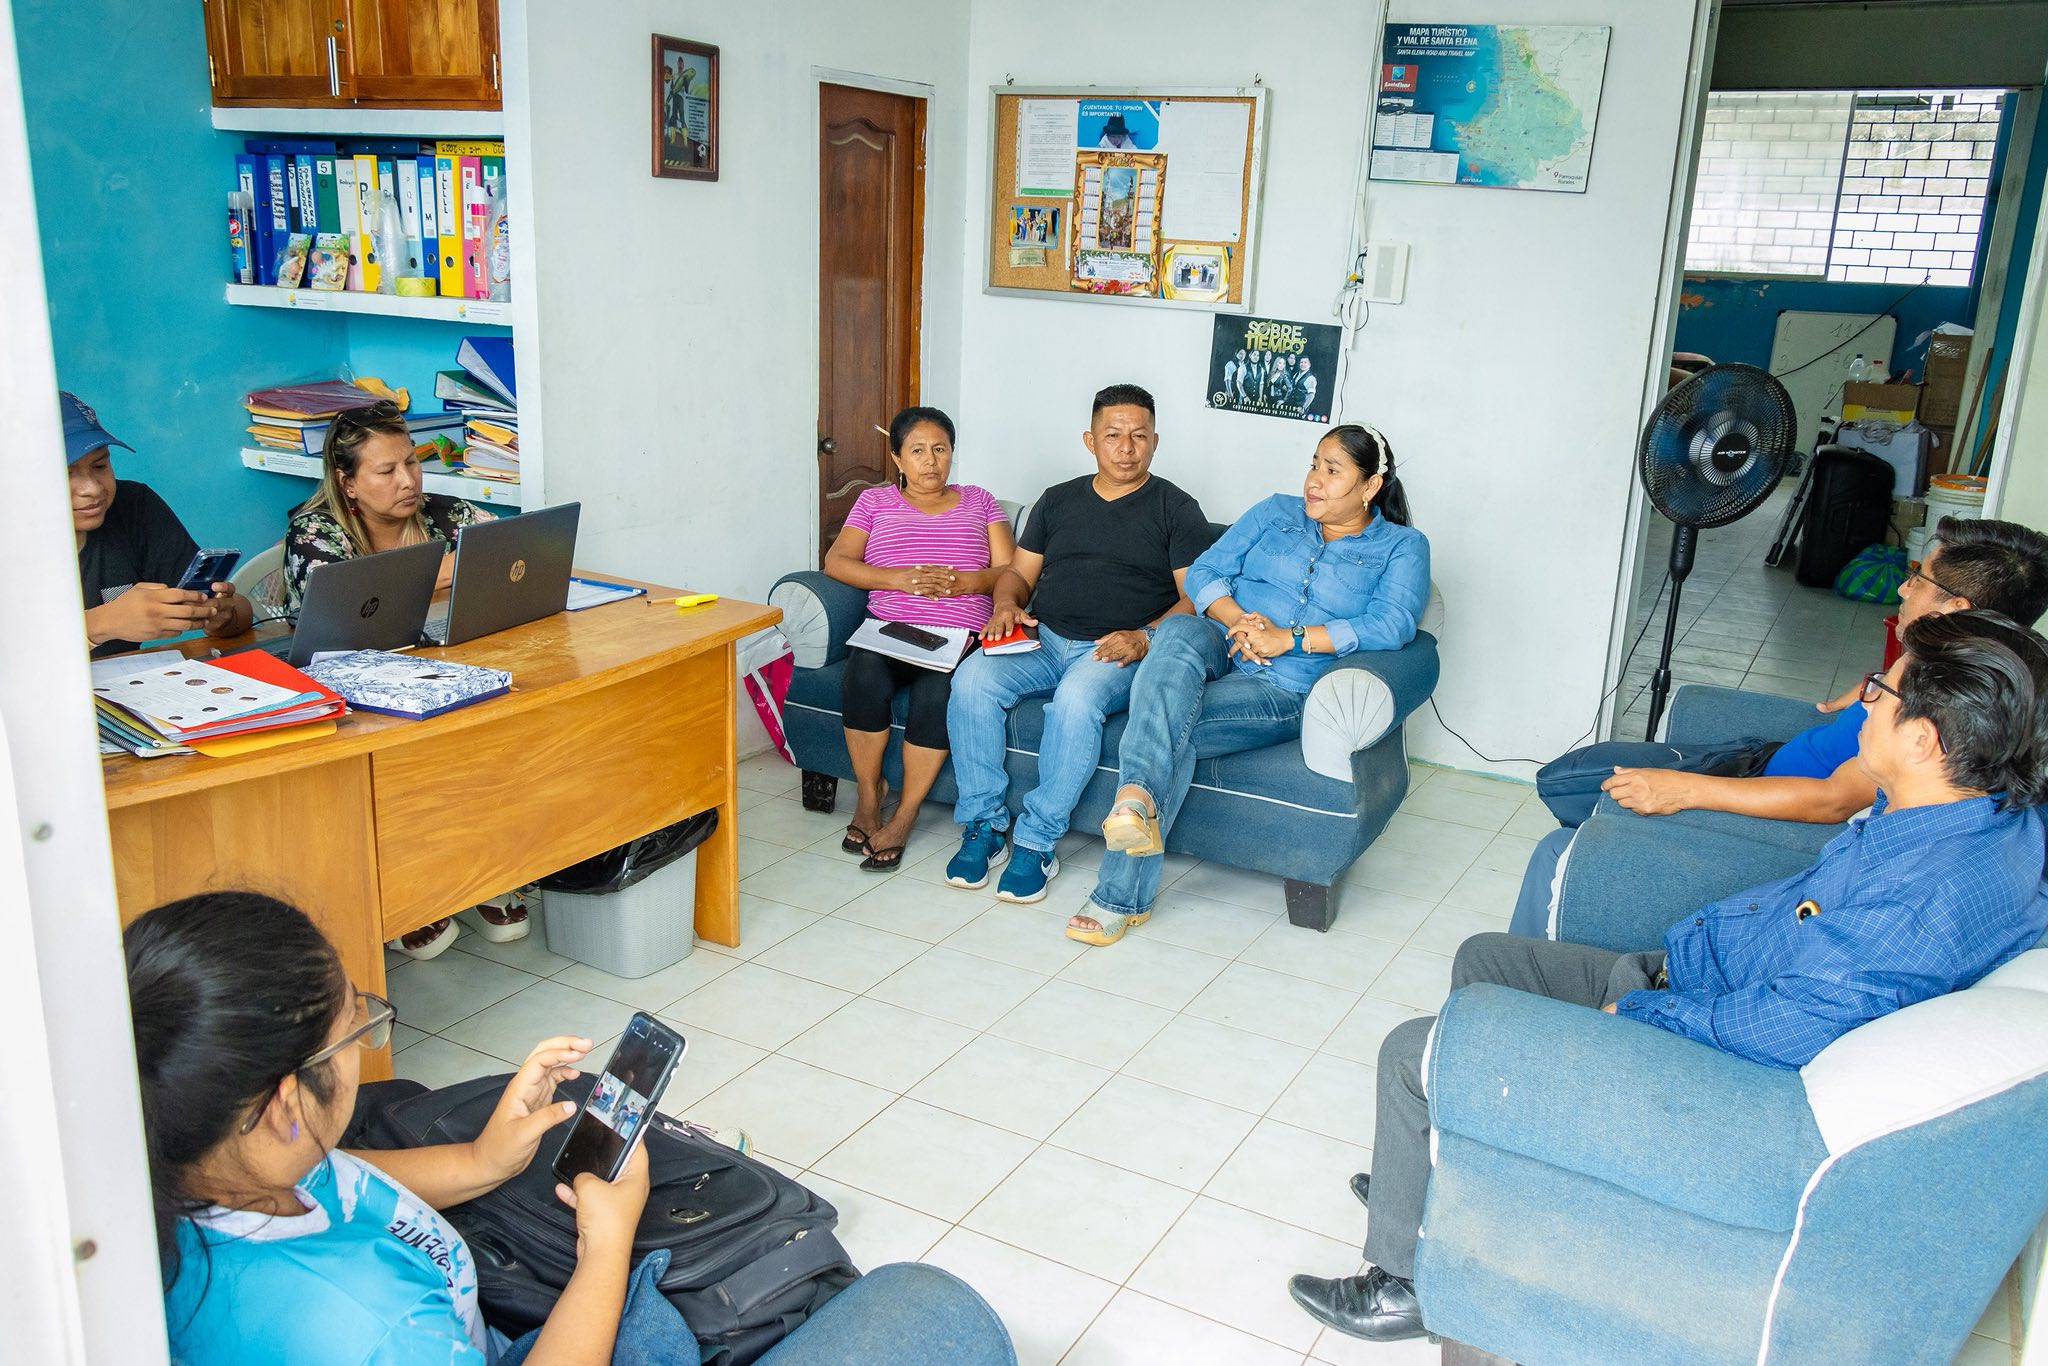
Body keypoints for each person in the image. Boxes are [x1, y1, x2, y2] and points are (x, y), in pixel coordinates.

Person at [1288, 609, 2048, 1344]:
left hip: (1710, 1060)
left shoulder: (1923, 900)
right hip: (1699, 984)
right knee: (1487, 959)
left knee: (1410, 1052)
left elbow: (1785, 1029)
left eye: (1880, 692)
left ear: (1923, 739)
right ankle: (1442, 1174)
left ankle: (1402, 1284)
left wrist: (1643, 1014)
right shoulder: (1963, 816)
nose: (1866, 701)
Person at [128, 891, 1017, 1366]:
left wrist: (483, 1158)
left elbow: (352, 1174)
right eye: (355, 1027)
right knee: (928, 1308)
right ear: (286, 1104)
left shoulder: (209, 1162)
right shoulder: (366, 1330)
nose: (368, 1035)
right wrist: (607, 1251)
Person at [1510, 514, 2048, 938]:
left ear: (1955, 606)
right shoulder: (1964, 672)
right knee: (1569, 779)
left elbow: (1834, 802)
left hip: (1773, 799)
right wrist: (1877, 685)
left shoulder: (1946, 717)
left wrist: (1686, 790)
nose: (1904, 589)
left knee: (1571, 806)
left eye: (1918, 578)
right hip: (1762, 757)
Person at [1073, 424, 1428, 945]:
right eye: (1314, 465)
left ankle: (1122, 873)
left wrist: (1290, 638)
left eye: (1333, 471)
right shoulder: (1275, 512)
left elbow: (1392, 623)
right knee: (1178, 629)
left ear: (1370, 486)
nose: (1314, 480)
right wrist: (1238, 620)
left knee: (1168, 729)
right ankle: (1135, 803)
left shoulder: (1402, 546)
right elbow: (1205, 571)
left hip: (1284, 685)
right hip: (1222, 642)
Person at [944, 383, 1214, 904]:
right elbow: (1017, 576)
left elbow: (1196, 597)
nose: (1126, 448)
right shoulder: (1057, 500)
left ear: (1156, 441)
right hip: (1044, 638)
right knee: (972, 679)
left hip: (1114, 650)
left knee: (1075, 699)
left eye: (1139, 436)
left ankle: (1036, 842)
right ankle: (982, 825)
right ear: (1090, 441)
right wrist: (1006, 604)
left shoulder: (1176, 508)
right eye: (1113, 435)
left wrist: (1145, 636)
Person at [284, 400, 519, 956]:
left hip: (442, 671)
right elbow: (343, 620)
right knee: (406, 767)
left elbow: (511, 554)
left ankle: (481, 870)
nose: (408, 481)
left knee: (496, 732)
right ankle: (406, 894)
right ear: (347, 482)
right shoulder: (314, 532)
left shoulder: (448, 515)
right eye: (386, 470)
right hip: (351, 692)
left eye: (411, 462)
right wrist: (442, 574)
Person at [822, 406, 1014, 869]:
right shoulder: (874, 502)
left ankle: (905, 813)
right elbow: (837, 562)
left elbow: (1011, 570)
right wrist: (897, 579)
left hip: (956, 633)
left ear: (952, 454)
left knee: (937, 694)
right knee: (862, 676)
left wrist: (969, 583)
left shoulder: (980, 501)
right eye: (918, 451)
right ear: (897, 458)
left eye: (940, 450)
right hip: (890, 629)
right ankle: (869, 797)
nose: (931, 461)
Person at [64, 391, 253, 657]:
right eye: (65, 473)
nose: (92, 489)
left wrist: (222, 615)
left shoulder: (133, 506)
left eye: (99, 466)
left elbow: (240, 614)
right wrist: (100, 624)